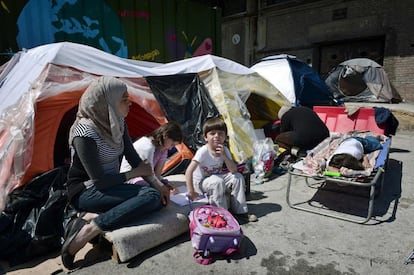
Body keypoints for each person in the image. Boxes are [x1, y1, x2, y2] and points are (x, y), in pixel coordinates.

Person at [61, 76, 165, 270]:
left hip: (110, 186)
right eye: (124, 99)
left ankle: (91, 217)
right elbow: (99, 182)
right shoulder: (84, 133)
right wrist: (135, 174)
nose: (130, 104)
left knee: (155, 197)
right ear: (106, 101)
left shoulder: (117, 123)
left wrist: (159, 186)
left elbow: (134, 159)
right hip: (85, 191)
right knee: (149, 196)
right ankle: (88, 230)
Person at [185, 117, 258, 223]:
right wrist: (191, 191)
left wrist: (224, 155)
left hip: (216, 176)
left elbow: (233, 170)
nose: (217, 136)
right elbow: (189, 171)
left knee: (237, 177)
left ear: (225, 136)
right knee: (216, 181)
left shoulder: (225, 149)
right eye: (212, 133)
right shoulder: (203, 151)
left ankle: (241, 212)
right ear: (205, 137)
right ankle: (221, 215)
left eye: (220, 133)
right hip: (203, 182)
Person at [120, 121, 183, 192]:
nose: (171, 148)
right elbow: (148, 175)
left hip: (147, 177)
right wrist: (162, 188)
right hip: (132, 178)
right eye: (172, 144)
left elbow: (157, 174)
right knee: (150, 190)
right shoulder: (147, 146)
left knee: (165, 184)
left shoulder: (164, 150)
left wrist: (166, 187)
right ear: (166, 135)